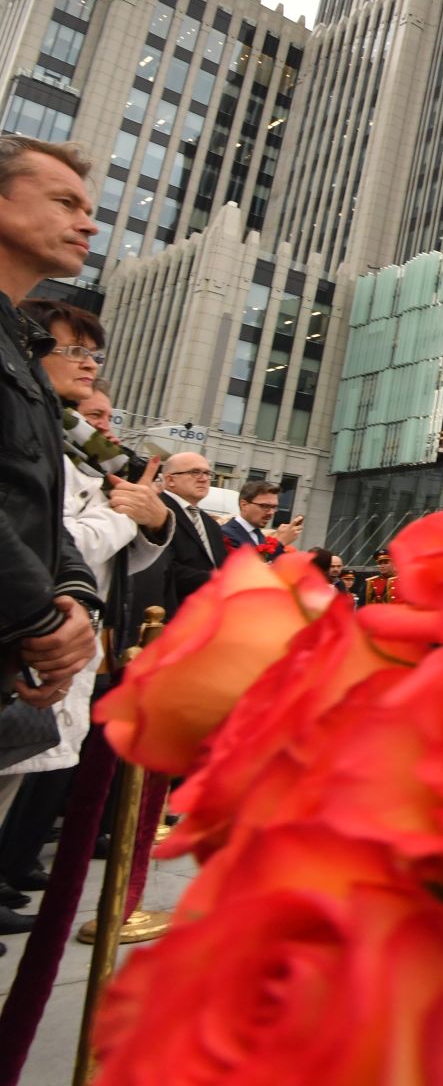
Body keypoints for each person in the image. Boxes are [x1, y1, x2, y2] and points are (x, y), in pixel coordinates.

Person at [0, 309, 170, 927]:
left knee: (37, 776)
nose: (88, 364)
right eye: (71, 350)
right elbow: (48, 536)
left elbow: (107, 546)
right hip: (31, 634)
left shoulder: (81, 454)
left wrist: (147, 517)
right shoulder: (41, 433)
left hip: (71, 635)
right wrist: (128, 516)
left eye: (93, 353)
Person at [0, 136, 103, 909]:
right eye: (65, 202)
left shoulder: (20, 346)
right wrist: (41, 613)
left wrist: (70, 595)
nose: (88, 223)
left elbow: (36, 495)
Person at [156, 452, 228, 612]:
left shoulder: (210, 524)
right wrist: (216, 580)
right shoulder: (158, 511)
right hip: (169, 614)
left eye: (207, 473)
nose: (204, 478)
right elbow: (161, 567)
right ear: (170, 479)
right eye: (194, 472)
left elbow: (220, 565)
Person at [219, 479, 300, 559]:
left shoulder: (259, 535)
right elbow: (251, 568)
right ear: (244, 504)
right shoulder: (225, 534)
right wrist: (280, 543)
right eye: (265, 506)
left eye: (274, 507)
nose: (271, 512)